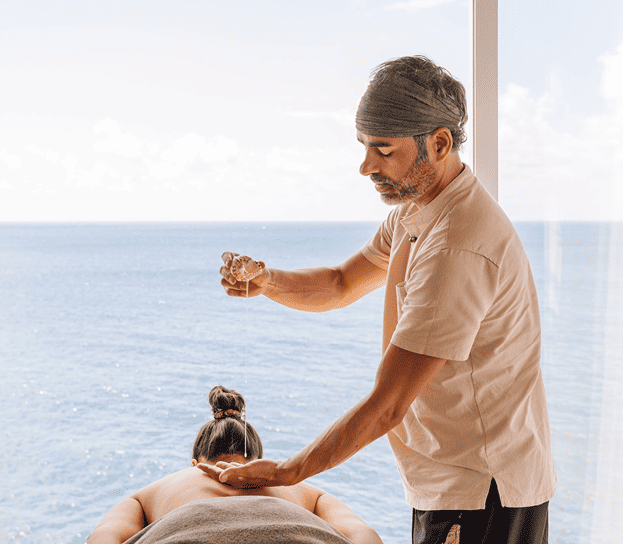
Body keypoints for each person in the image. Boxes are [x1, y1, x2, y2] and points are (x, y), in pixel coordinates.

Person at [206, 56, 555, 544]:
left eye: (383, 150)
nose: (367, 166)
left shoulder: (455, 246)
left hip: (482, 491)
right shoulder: (417, 211)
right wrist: (268, 282)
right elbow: (340, 283)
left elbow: (387, 405)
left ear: (439, 143)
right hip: (454, 482)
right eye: (364, 146)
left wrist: (286, 472)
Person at [87, 386, 383, 544]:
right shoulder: (308, 492)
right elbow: (365, 536)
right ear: (258, 464)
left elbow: (103, 538)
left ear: (194, 464)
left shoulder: (151, 492)